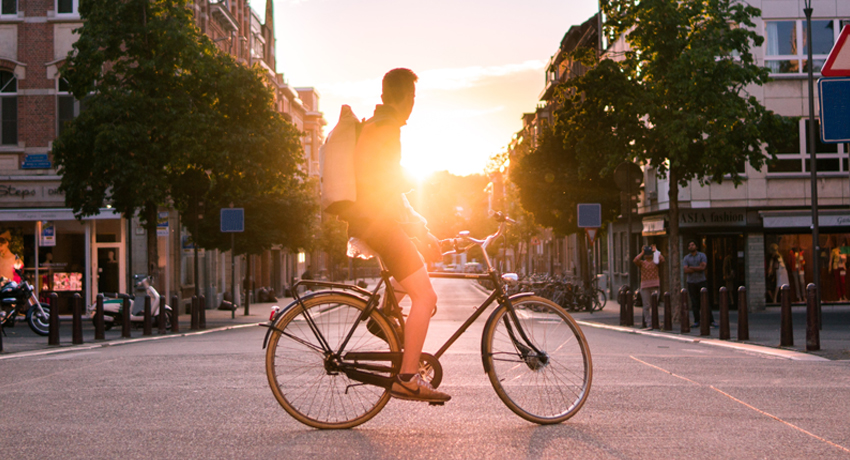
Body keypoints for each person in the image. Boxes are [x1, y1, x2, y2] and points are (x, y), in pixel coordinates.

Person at [343, 68, 449, 403]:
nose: (414, 104)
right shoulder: (387, 128)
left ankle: (385, 316)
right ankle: (407, 378)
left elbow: (387, 188)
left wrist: (422, 230)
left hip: (373, 221)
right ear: (405, 97)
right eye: (413, 97)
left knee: (419, 265)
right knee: (426, 298)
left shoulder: (375, 124)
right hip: (379, 224)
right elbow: (388, 182)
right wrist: (422, 182)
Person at [683, 239, 714, 327]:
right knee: (694, 302)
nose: (691, 247)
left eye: (692, 245)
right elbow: (686, 270)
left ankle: (710, 320)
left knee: (705, 301)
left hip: (701, 281)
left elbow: (703, 267)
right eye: (689, 245)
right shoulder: (686, 258)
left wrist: (691, 267)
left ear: (696, 246)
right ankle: (697, 321)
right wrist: (697, 268)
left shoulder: (702, 255)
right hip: (691, 282)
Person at [633, 245, 664, 329]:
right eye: (647, 253)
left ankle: (655, 322)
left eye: (649, 253)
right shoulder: (642, 263)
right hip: (645, 286)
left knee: (654, 305)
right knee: (646, 305)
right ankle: (648, 322)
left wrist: (655, 251)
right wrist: (642, 252)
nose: (648, 254)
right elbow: (635, 260)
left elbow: (662, 259)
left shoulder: (655, 262)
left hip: (655, 285)